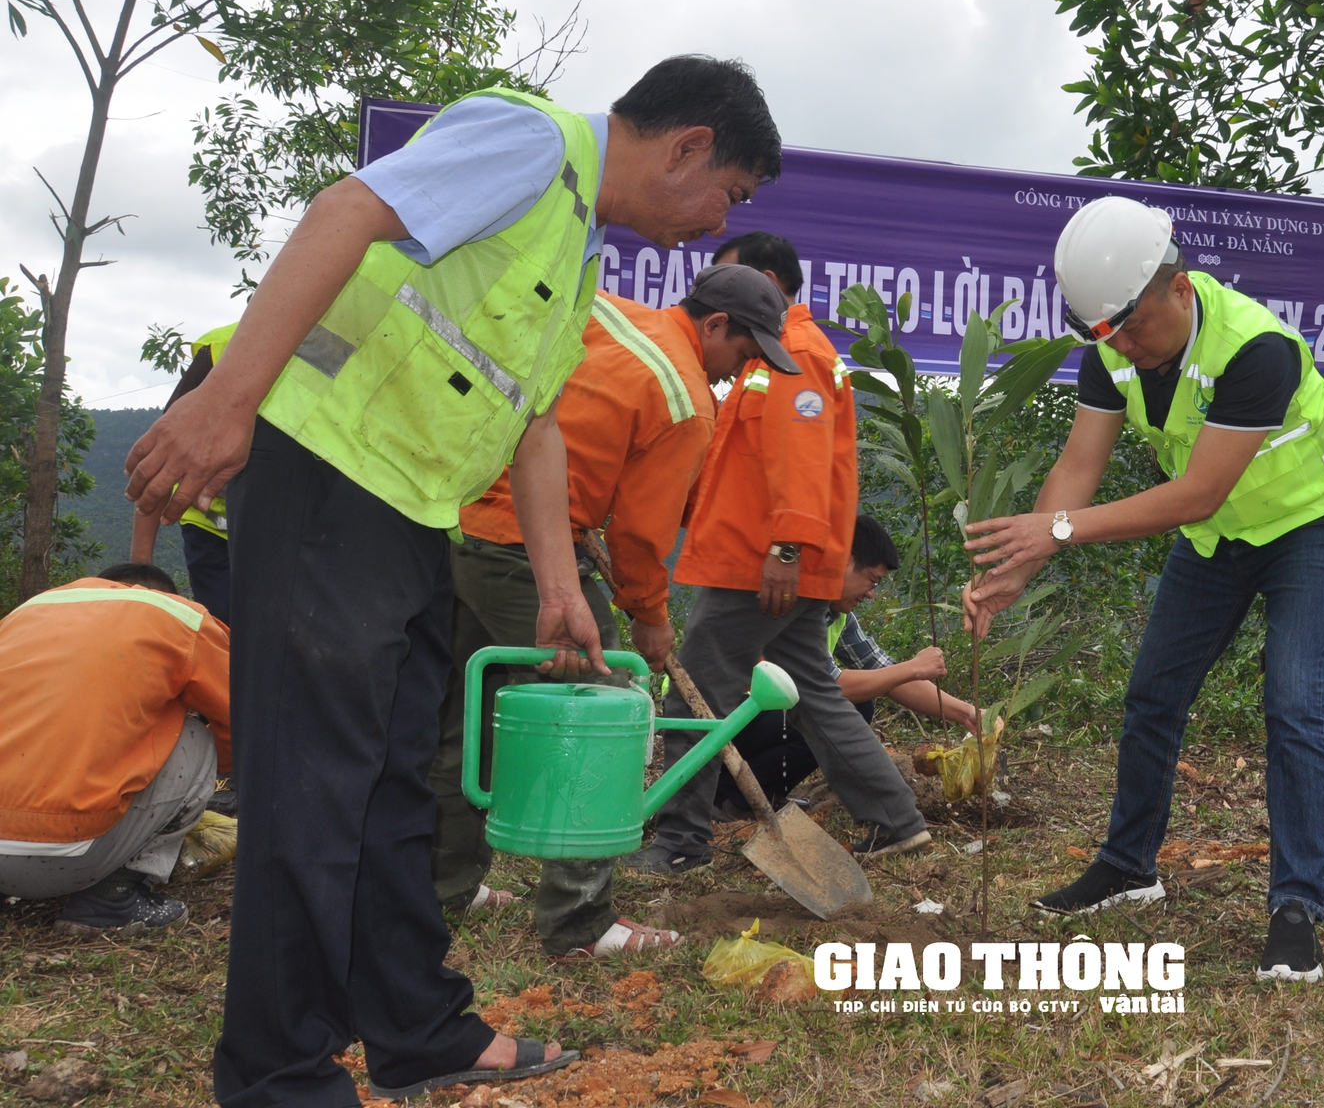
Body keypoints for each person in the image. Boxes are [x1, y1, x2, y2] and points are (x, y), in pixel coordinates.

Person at [123, 56, 781, 1106]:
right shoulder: (530, 144)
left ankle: (415, 1024)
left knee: (395, 781)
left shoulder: (578, 245)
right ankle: (278, 1074)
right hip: (324, 470)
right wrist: (227, 400)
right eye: (727, 195)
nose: (714, 219)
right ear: (689, 145)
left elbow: (533, 422)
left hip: (407, 508)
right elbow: (347, 208)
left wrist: (561, 584)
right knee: (315, 789)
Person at [961, 196, 1324, 984]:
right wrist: (1019, 566)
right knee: (1152, 694)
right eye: (1105, 335)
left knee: (1292, 700)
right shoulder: (1111, 348)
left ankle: (1296, 906)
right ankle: (1128, 866)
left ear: (1178, 289)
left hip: (1307, 526)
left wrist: (1062, 532)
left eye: (1134, 326)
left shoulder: (1257, 349)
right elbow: (1077, 469)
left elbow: (1197, 493)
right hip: (1220, 539)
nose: (1125, 347)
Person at [430, 266, 788, 959]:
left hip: (459, 520)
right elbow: (642, 540)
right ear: (714, 326)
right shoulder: (684, 396)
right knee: (606, 716)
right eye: (739, 357)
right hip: (530, 544)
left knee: (464, 714)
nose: (728, 377)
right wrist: (649, 618)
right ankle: (580, 922)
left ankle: (443, 884)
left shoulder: (617, 316)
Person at [625, 232, 933, 872]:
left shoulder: (793, 351)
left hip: (765, 565)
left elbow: (799, 458)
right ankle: (896, 819)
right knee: (816, 692)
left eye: (729, 280)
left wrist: (787, 547)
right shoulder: (786, 353)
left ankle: (680, 845)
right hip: (775, 561)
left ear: (765, 281)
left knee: (695, 696)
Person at [0, 563, 228, 933]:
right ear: (167, 595)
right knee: (197, 739)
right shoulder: (180, 617)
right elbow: (241, 718)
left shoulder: (29, 612)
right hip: (62, 856)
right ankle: (111, 897)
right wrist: (222, 778)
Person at [718, 513, 980, 815]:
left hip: (753, 718)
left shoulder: (837, 614)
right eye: (871, 580)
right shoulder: (789, 600)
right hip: (719, 709)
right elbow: (827, 687)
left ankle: (752, 793)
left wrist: (967, 713)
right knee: (843, 708)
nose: (871, 594)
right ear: (843, 562)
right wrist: (913, 666)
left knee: (844, 706)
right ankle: (735, 800)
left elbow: (883, 671)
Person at [130, 324, 236, 624]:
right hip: (214, 535)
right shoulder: (223, 348)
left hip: (298, 535)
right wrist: (141, 570)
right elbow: (166, 453)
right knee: (228, 636)